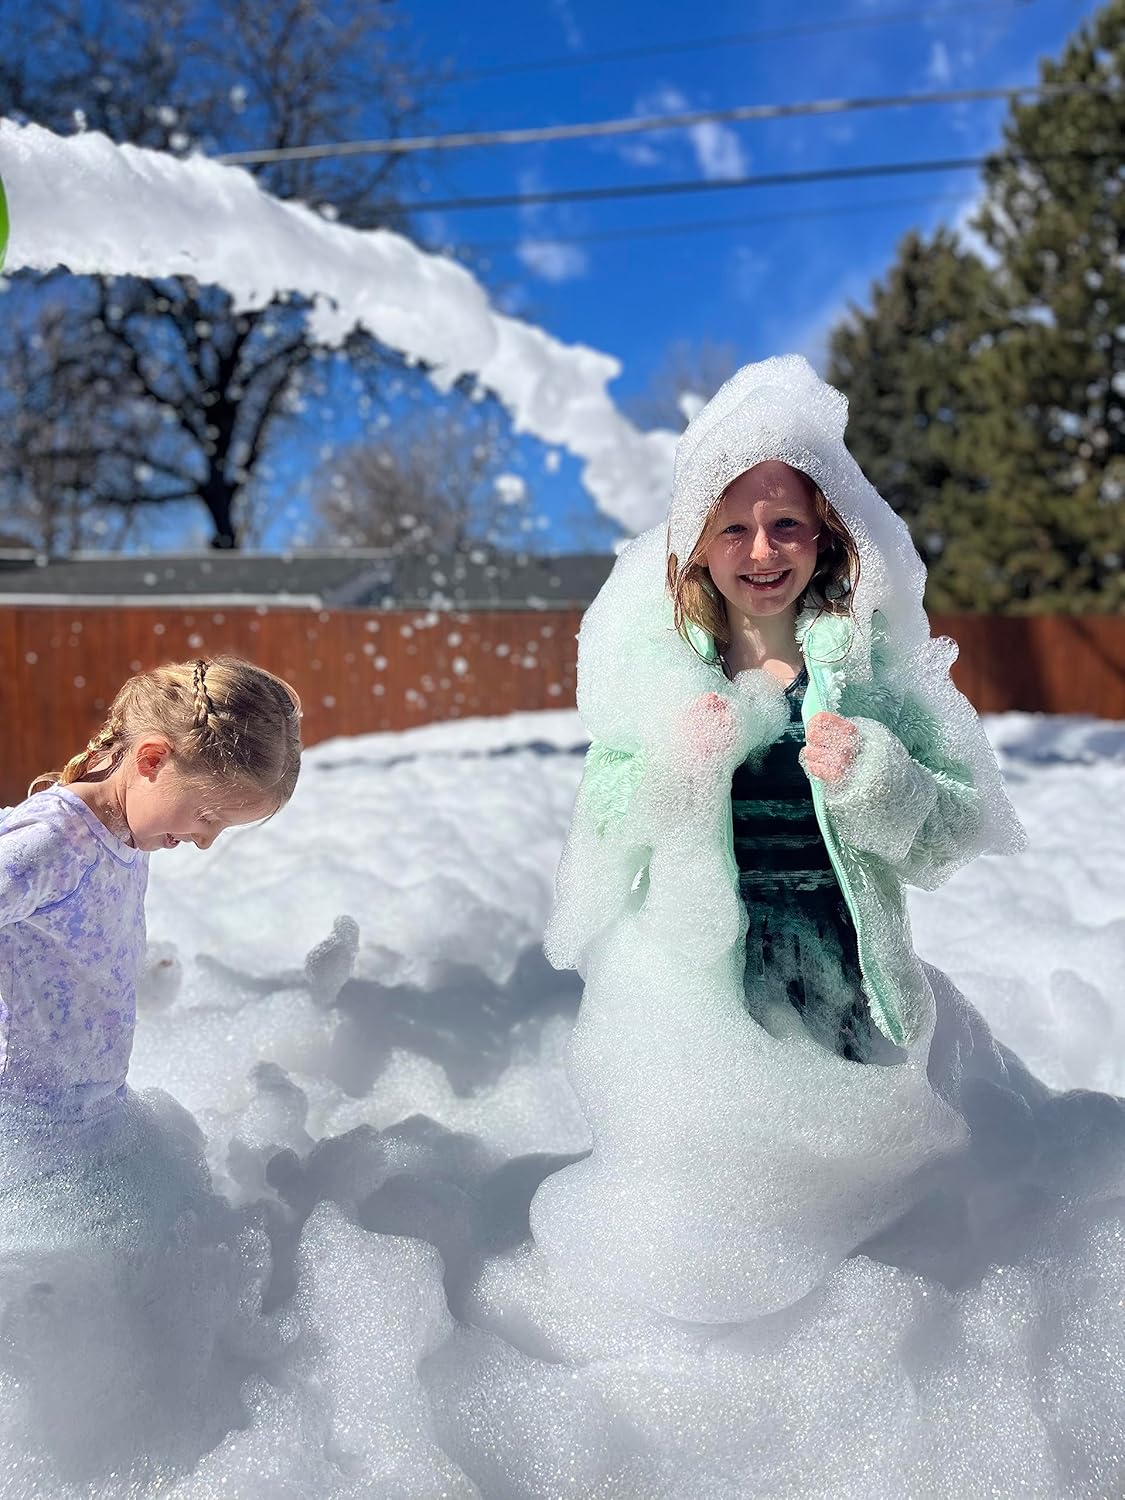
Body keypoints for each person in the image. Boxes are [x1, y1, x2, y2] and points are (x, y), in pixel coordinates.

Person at [529, 355, 1027, 1322]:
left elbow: (958, 827)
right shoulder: (668, 675)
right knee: (718, 1215)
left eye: (786, 524)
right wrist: (675, 764)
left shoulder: (869, 670)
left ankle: (853, 1341)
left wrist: (879, 774)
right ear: (697, 545)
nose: (761, 550)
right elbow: (605, 822)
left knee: (862, 1220)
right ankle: (721, 1342)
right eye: (733, 527)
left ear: (825, 533)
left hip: (848, 973)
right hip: (701, 989)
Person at [0, 655, 301, 1479]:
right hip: (22, 1127)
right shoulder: (51, 842)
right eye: (205, 815)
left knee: (162, 1275)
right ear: (152, 758)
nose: (202, 840)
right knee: (62, 1312)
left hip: (89, 1119)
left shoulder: (117, 836)